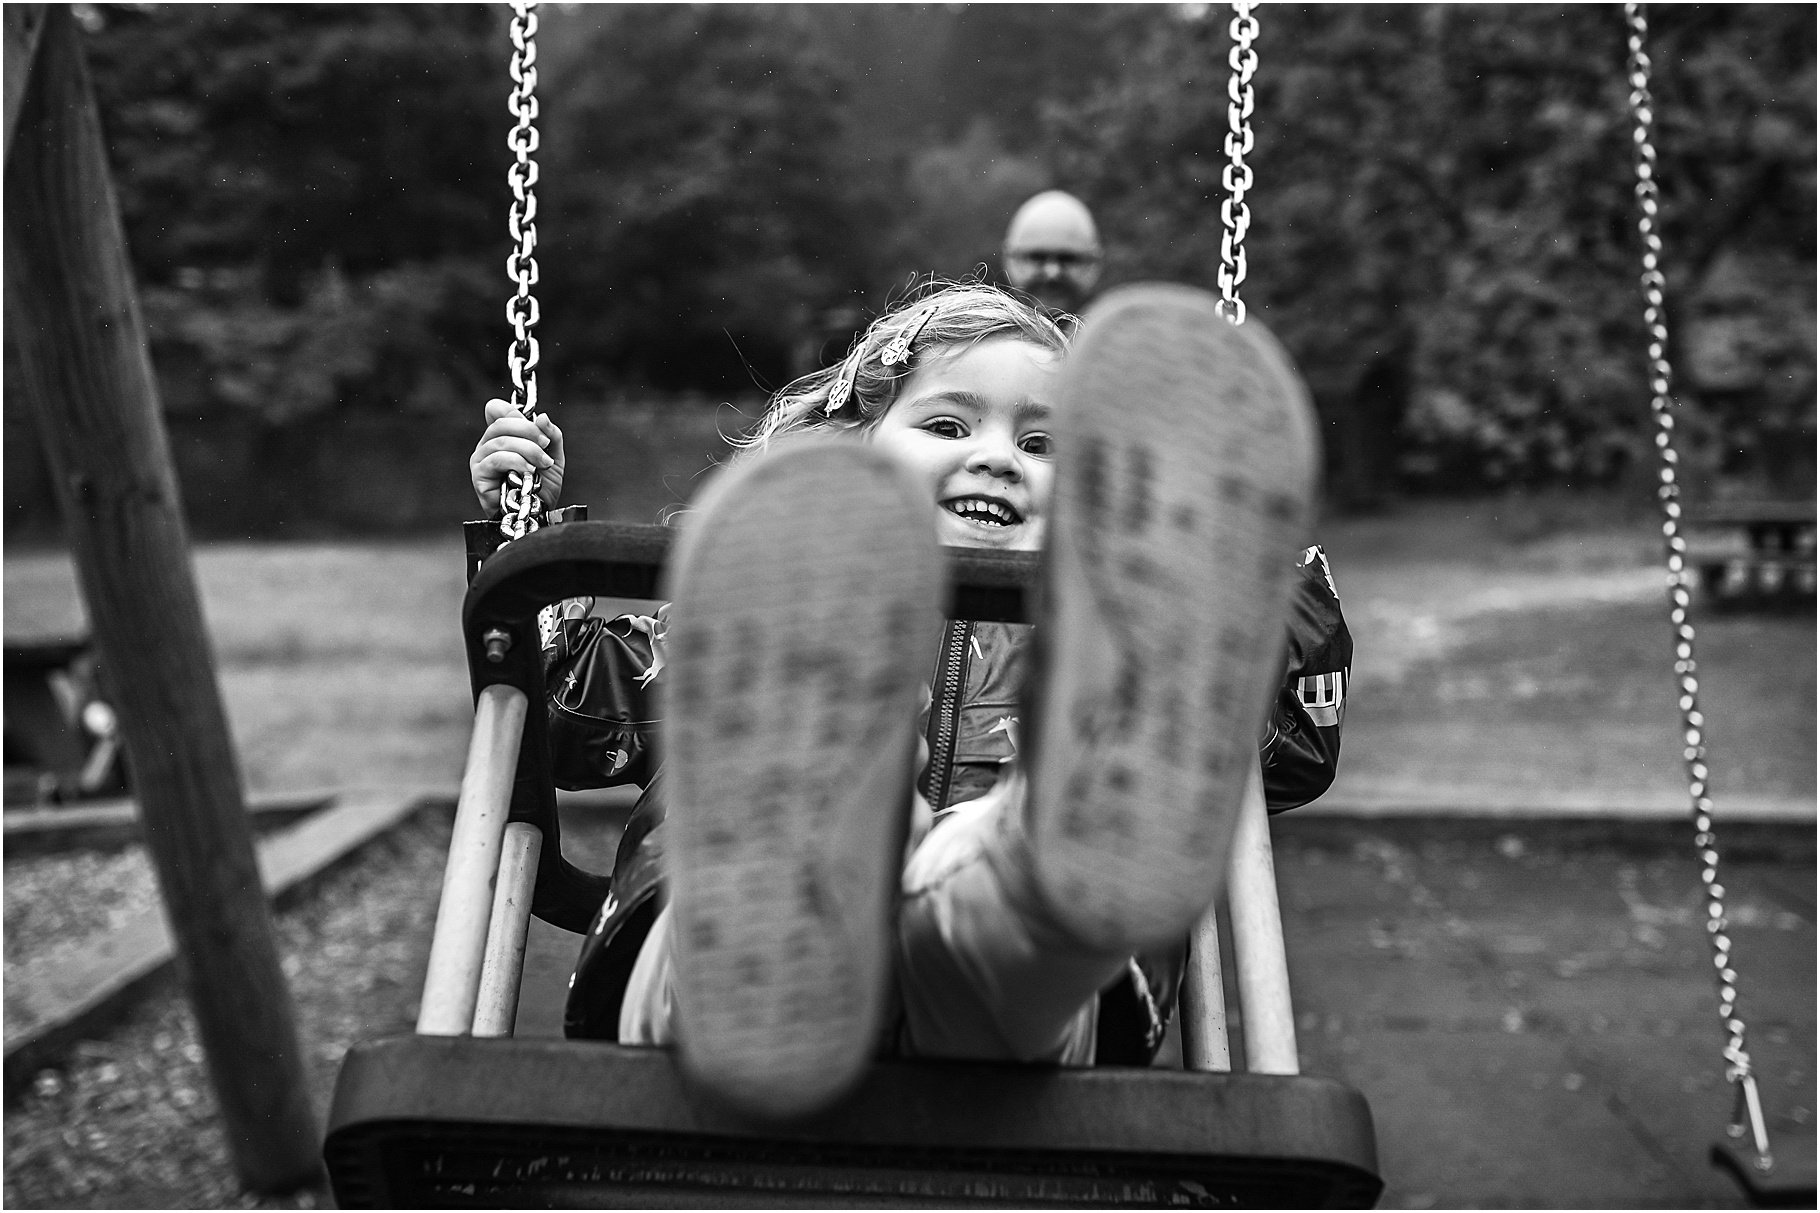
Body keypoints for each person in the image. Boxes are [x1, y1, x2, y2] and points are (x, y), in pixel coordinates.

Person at [467, 281, 1351, 1120]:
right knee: (804, 831)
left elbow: (1288, 747)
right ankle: (817, 859)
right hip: (704, 969)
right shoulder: (763, 618)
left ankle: (1024, 855)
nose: (997, 457)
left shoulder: (1097, 645)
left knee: (1020, 888)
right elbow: (561, 714)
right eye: (947, 421)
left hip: (1024, 1029)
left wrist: (1261, 568)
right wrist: (530, 528)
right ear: (852, 446)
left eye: (1044, 446)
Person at [1000, 190, 1104, 325]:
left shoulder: (1117, 341)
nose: (1052, 272)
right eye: (1037, 257)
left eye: (1067, 258)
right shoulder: (980, 343)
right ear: (1009, 258)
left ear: (1094, 263)